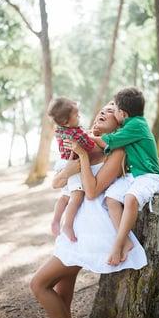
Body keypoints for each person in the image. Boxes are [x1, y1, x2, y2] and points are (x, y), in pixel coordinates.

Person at [30, 103, 147, 318]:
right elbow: (57, 183)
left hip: (92, 230)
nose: (104, 111)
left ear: (120, 123)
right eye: (103, 109)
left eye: (111, 111)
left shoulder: (116, 152)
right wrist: (70, 167)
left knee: (38, 284)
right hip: (75, 229)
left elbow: (92, 193)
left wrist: (82, 158)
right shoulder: (80, 140)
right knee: (62, 295)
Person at [91, 87, 159, 266]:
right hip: (134, 176)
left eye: (114, 109)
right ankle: (126, 241)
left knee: (130, 198)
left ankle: (117, 244)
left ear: (122, 114)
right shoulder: (128, 124)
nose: (111, 111)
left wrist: (82, 136)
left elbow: (105, 141)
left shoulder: (136, 125)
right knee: (110, 198)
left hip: (149, 176)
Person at [48, 96, 95, 241]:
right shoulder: (76, 133)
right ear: (65, 121)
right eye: (76, 114)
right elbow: (90, 146)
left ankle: (55, 220)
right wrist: (89, 136)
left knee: (64, 196)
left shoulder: (60, 130)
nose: (79, 116)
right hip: (73, 164)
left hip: (62, 162)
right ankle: (67, 224)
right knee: (77, 195)